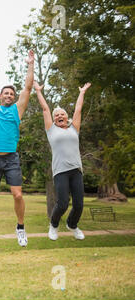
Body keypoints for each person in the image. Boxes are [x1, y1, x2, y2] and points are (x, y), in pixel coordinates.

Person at [0, 51, 34, 247]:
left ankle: (20, 227)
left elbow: (27, 88)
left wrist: (30, 64)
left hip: (11, 158)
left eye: (12, 94)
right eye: (6, 93)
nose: (9, 95)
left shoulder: (17, 110)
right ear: (1, 96)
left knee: (18, 194)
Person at [34, 81, 91, 241]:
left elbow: (78, 109)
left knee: (79, 204)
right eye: (56, 115)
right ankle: (53, 225)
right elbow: (45, 109)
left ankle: (72, 225)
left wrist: (82, 92)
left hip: (76, 170)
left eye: (62, 114)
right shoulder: (51, 131)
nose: (59, 116)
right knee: (63, 203)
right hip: (60, 172)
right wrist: (38, 91)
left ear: (67, 117)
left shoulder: (74, 128)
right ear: (53, 119)